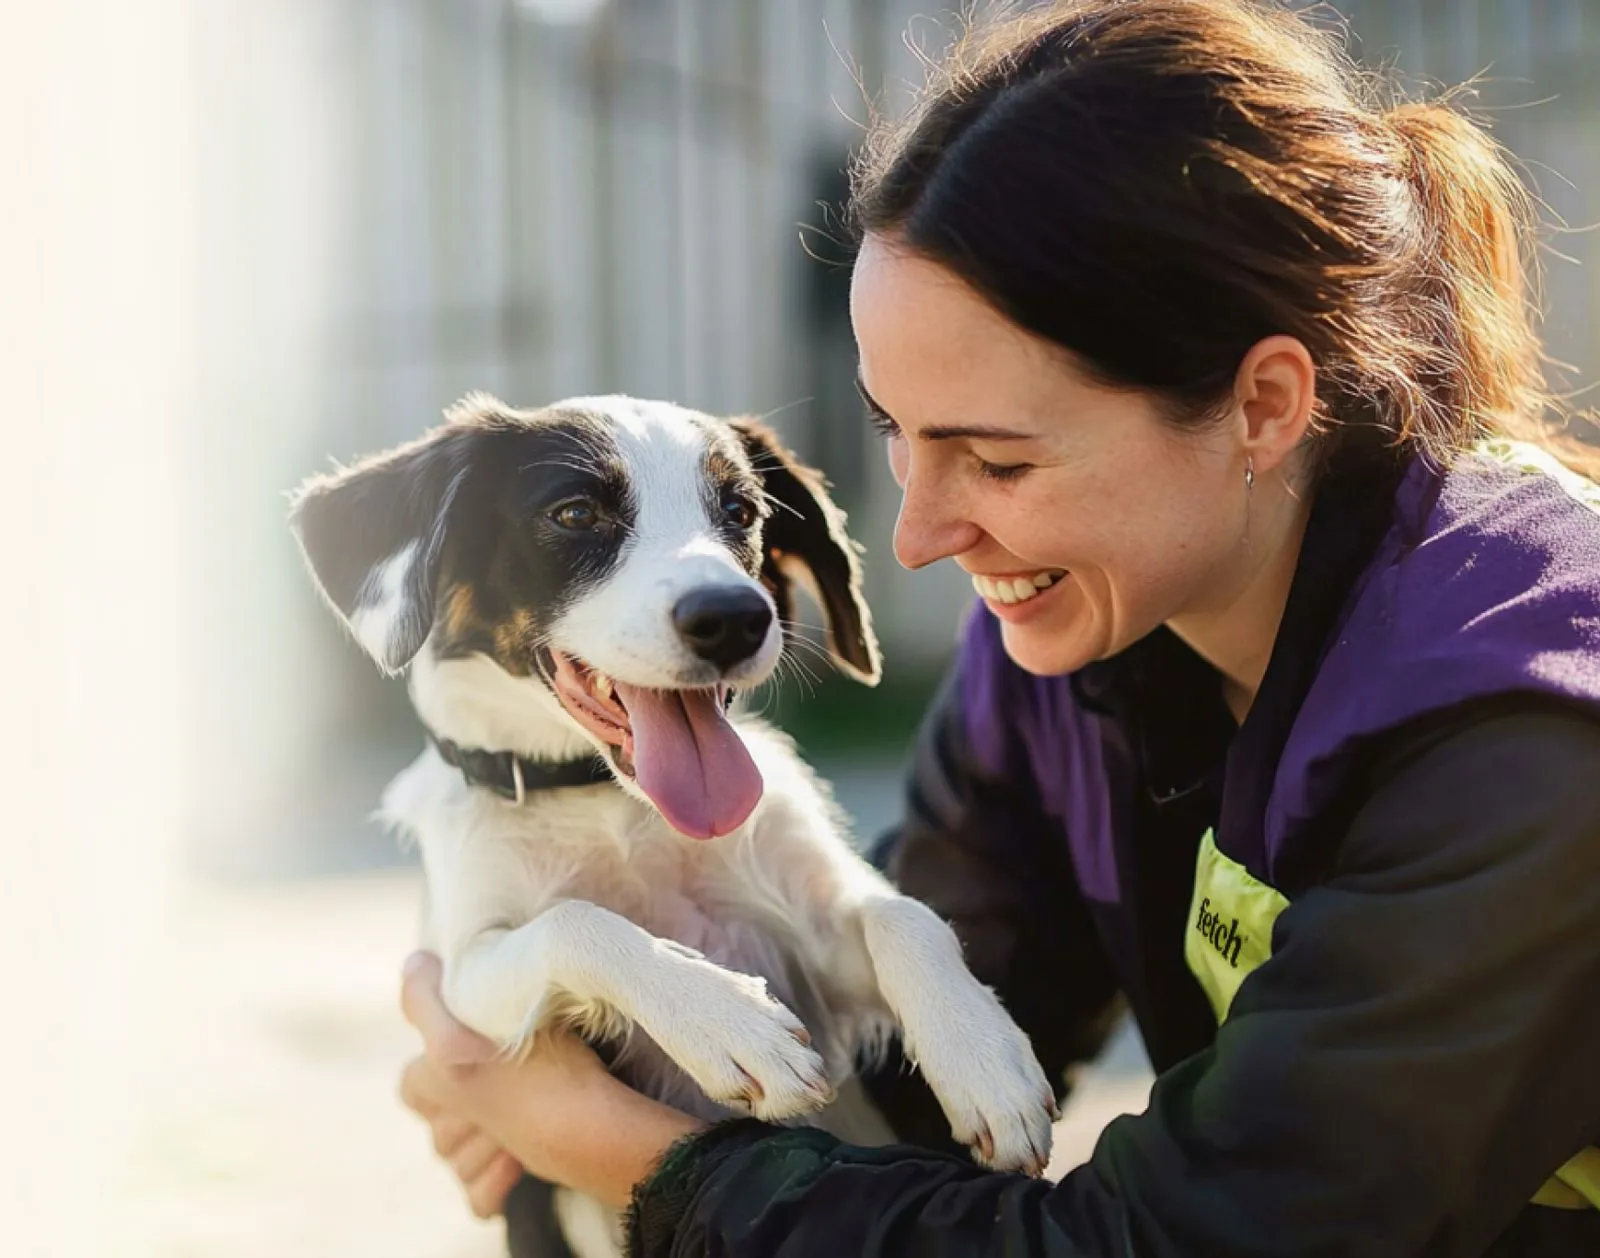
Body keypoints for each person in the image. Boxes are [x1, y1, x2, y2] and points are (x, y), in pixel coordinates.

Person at [396, 1, 1600, 1254]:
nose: (918, 536)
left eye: (995, 459)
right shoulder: (1082, 624)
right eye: (897, 438)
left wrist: (645, 1161)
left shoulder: (1527, 733)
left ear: (1262, 404)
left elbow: (1184, 1238)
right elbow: (907, 1076)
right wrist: (568, 1069)